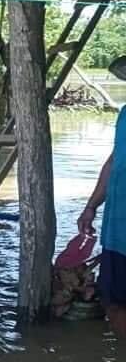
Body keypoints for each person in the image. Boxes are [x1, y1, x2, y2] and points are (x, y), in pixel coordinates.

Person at [77, 55, 126, 338]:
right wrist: (91, 206)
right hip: (117, 231)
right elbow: (114, 162)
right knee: (114, 301)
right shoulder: (124, 115)